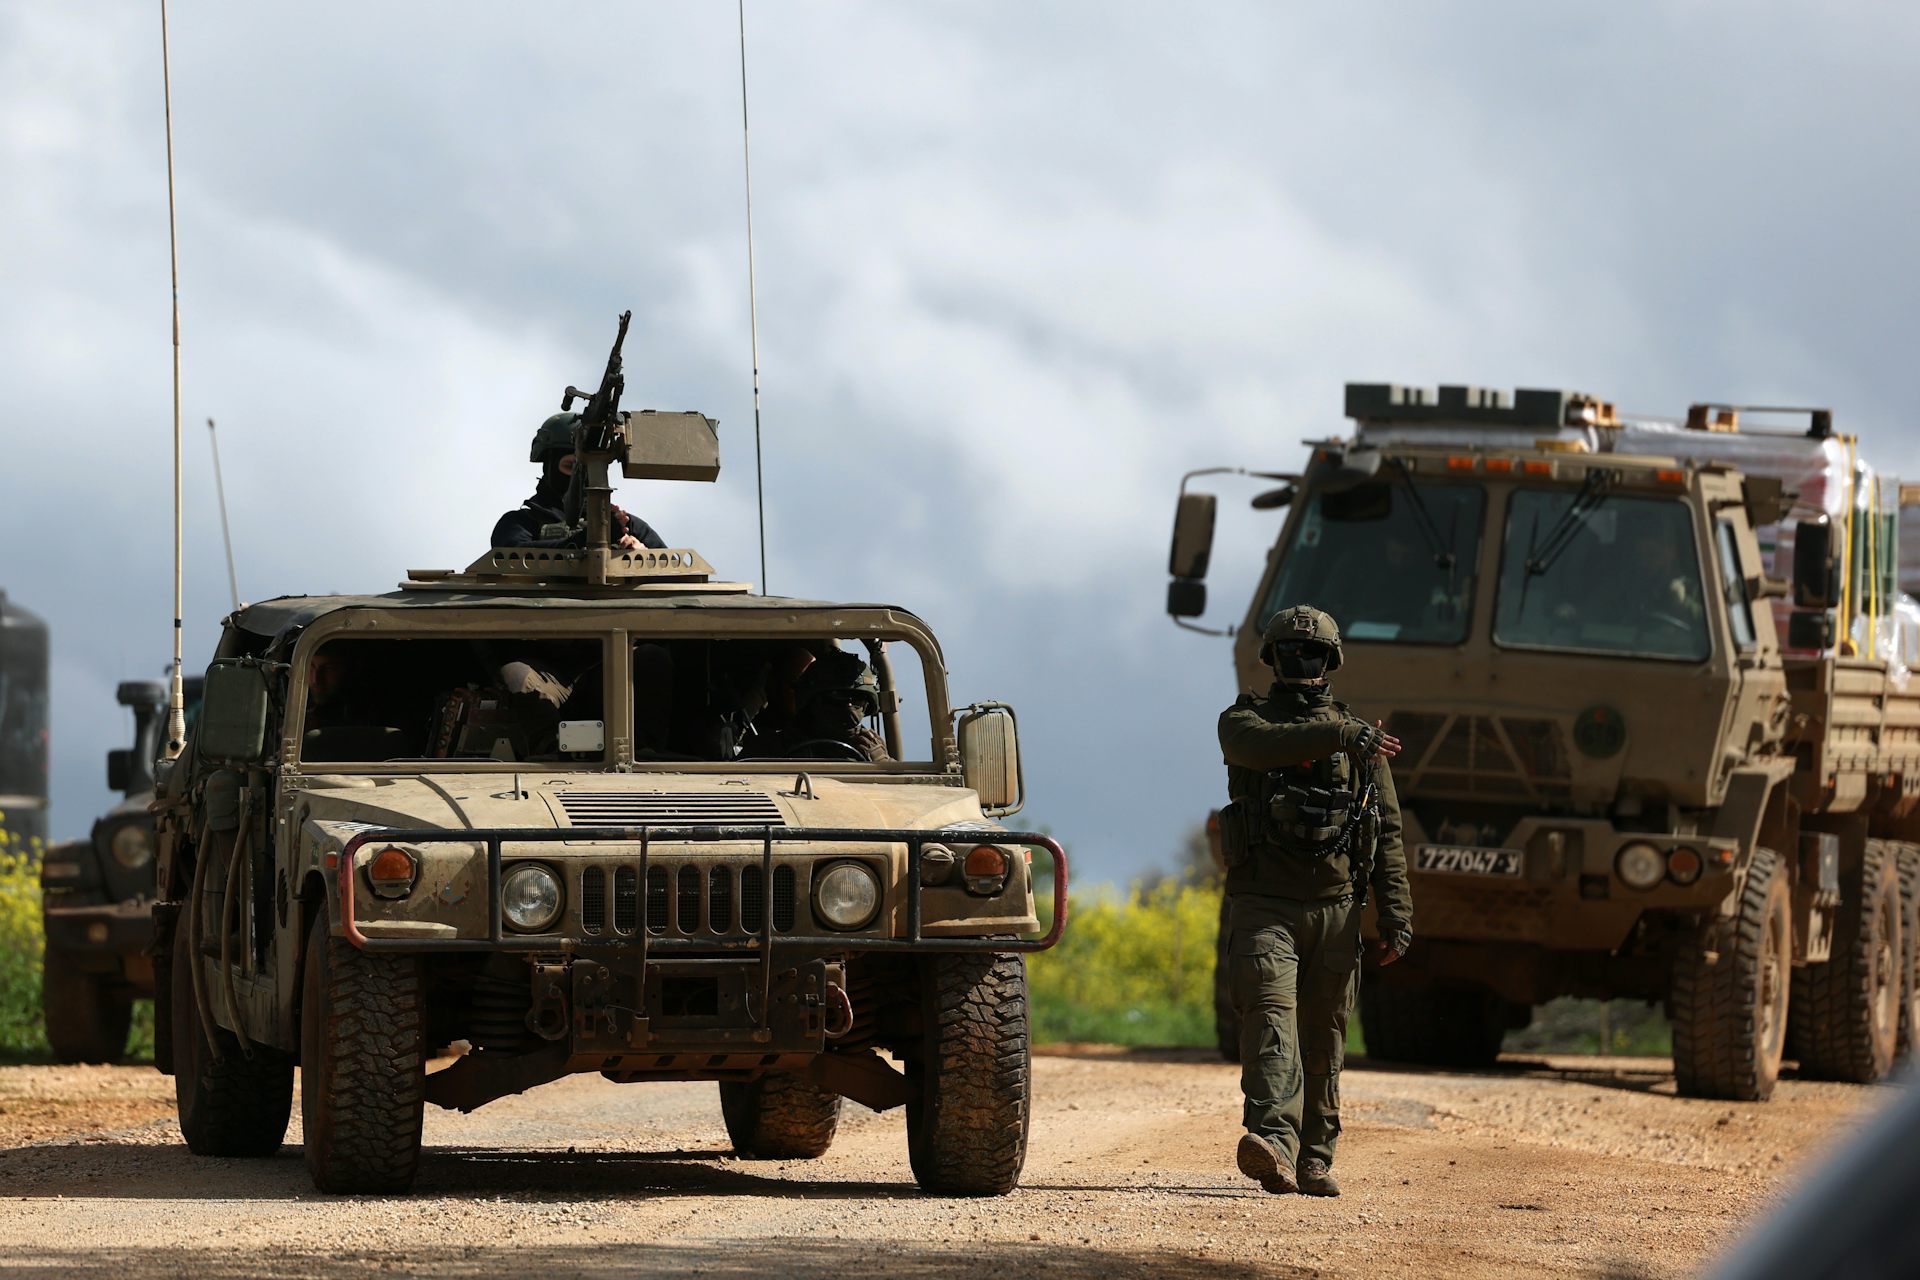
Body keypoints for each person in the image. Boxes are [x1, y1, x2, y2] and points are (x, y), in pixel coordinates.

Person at [1216, 604, 1413, 1198]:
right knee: (1271, 1023)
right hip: (1263, 906)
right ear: (1272, 658)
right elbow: (1257, 747)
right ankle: (1274, 1141)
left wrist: (1396, 913)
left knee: (1324, 1037)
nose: (1302, 662)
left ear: (1331, 661)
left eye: (1314, 654)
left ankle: (1315, 1159)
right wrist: (1342, 735)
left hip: (1337, 910)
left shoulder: (1361, 739)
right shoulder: (1244, 723)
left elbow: (1389, 831)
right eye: (1291, 653)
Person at [491, 413, 666, 551]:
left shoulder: (627, 526)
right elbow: (514, 556)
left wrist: (644, 558)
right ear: (548, 467)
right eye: (571, 466)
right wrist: (588, 539)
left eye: (589, 470)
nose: (580, 478)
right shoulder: (520, 523)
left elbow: (675, 571)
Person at [749, 650, 890, 762]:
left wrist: (882, 766)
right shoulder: (775, 746)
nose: (848, 705)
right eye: (837, 697)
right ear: (813, 702)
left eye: (858, 699)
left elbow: (903, 790)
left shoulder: (870, 745)